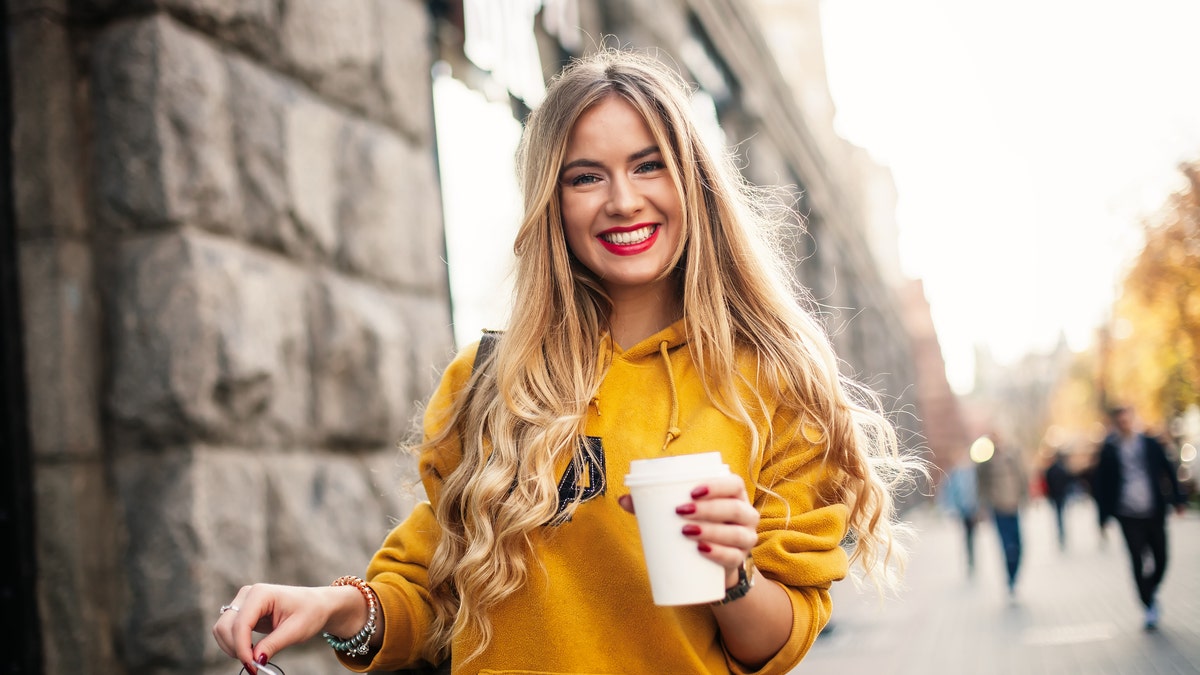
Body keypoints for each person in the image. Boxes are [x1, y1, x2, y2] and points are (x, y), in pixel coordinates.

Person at [212, 48, 920, 674]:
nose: (622, 200)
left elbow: (776, 642)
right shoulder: (491, 379)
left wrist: (730, 575)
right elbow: (429, 595)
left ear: (695, 183)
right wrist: (334, 608)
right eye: (586, 177)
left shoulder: (776, 383)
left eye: (650, 165)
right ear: (552, 200)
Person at [1093, 405, 1187, 630]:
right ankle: (1148, 604)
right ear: (1116, 424)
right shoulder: (1109, 451)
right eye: (1121, 422)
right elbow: (1101, 486)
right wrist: (1103, 518)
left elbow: (1169, 469)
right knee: (1137, 558)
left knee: (1161, 557)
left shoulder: (1150, 443)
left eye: (1128, 420)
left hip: (1153, 510)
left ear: (1133, 420)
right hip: (1128, 514)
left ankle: (1150, 589)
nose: (1125, 425)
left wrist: (1178, 499)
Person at [974, 432, 1028, 598]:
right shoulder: (985, 463)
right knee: (1007, 547)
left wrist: (1025, 498)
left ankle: (1014, 576)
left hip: (1014, 508)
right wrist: (983, 507)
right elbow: (981, 485)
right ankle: (1010, 579)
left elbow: (1022, 478)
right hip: (998, 510)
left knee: (1019, 546)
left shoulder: (1012, 457)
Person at [939, 456, 980, 576]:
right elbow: (949, 492)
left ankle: (971, 558)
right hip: (963, 511)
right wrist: (952, 509)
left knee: (971, 535)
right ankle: (970, 558)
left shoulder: (973, 473)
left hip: (972, 510)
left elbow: (979, 491)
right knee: (968, 536)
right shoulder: (954, 475)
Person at [1043, 450, 1073, 550]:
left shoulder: (1051, 469)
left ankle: (1061, 533)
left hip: (1056, 495)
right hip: (1060, 495)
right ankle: (1062, 533)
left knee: (1059, 515)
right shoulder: (1061, 468)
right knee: (1060, 514)